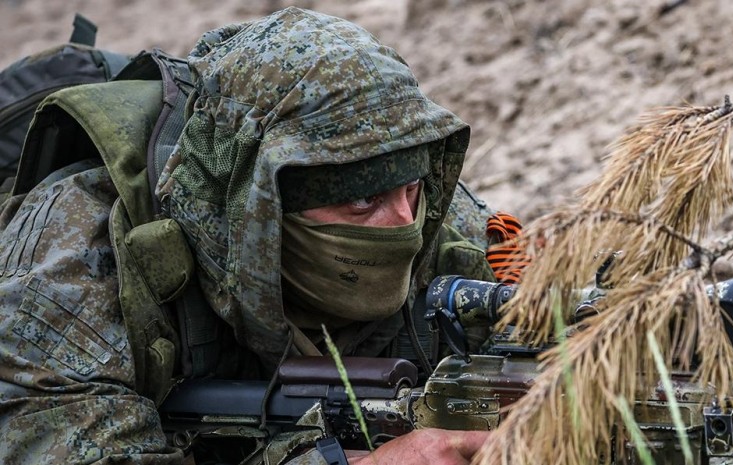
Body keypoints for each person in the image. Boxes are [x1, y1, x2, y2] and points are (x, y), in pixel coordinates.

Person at [0, 7, 517, 465]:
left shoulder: (445, 227)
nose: (403, 223)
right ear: (263, 208)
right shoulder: (74, 258)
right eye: (362, 202)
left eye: (412, 188)